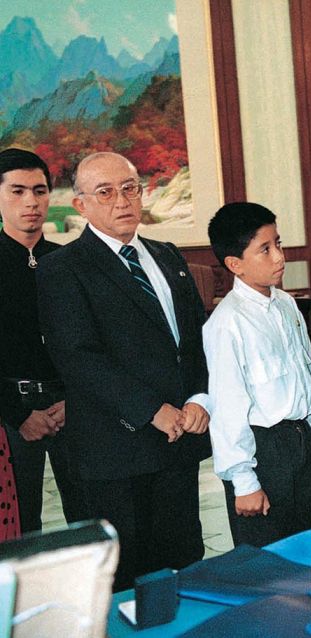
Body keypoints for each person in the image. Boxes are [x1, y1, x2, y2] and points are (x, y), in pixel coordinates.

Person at [37, 152, 211, 590]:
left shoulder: (167, 256)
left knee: (183, 563)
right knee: (127, 578)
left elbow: (196, 339)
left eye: (130, 188)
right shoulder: (63, 269)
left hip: (179, 441)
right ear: (80, 205)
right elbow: (78, 357)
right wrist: (152, 409)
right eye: (105, 192)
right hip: (116, 450)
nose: (122, 200)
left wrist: (199, 398)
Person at [204, 202, 311, 547]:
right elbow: (227, 408)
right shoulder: (228, 323)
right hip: (263, 452)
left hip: (300, 441)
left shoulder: (285, 304)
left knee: (310, 547)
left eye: (279, 244)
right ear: (235, 264)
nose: (279, 257)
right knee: (268, 557)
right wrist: (244, 481)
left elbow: (305, 367)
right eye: (265, 249)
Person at [0, 148, 88, 534]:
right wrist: (18, 415)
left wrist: (73, 399)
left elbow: (91, 342)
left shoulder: (70, 262)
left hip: (73, 406)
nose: (31, 202)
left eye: (39, 191)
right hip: (10, 412)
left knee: (89, 518)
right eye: (17, 191)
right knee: (21, 530)